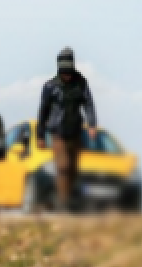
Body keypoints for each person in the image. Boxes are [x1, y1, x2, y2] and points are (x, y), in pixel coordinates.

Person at [36, 48, 99, 213]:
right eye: (64, 73)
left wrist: (92, 124)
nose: (67, 76)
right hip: (58, 134)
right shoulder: (50, 86)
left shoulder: (81, 82)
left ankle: (68, 200)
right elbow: (43, 111)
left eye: (69, 72)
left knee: (73, 169)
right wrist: (40, 135)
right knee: (63, 167)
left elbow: (88, 104)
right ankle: (63, 205)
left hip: (76, 132)